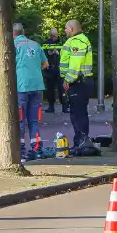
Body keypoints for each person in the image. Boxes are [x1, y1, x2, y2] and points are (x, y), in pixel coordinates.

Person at [14, 23, 48, 157]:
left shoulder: (14, 45)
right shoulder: (35, 44)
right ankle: (37, 148)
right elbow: (45, 63)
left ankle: (20, 149)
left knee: (20, 119)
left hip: (22, 86)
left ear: (13, 34)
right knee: (33, 120)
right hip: (37, 85)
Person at [60, 19, 94, 147]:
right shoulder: (80, 40)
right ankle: (80, 141)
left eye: (66, 28)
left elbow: (75, 64)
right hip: (81, 81)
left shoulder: (77, 42)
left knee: (78, 114)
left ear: (72, 29)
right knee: (78, 113)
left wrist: (67, 80)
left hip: (78, 82)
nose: (65, 31)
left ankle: (81, 142)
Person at [42, 27, 65, 113]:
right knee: (50, 89)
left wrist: (58, 53)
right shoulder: (46, 43)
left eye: (55, 35)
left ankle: (65, 106)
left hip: (59, 68)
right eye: (52, 36)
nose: (53, 37)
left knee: (62, 88)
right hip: (50, 69)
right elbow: (43, 55)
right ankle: (51, 106)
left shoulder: (62, 42)